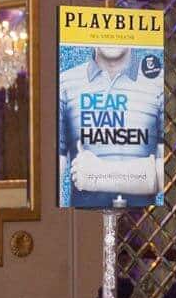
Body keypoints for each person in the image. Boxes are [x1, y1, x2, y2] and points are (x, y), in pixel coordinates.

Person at [58, 46, 164, 208]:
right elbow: (52, 178)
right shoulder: (65, 83)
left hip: (144, 220)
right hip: (83, 219)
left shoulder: (158, 82)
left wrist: (99, 174)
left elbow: (168, 173)